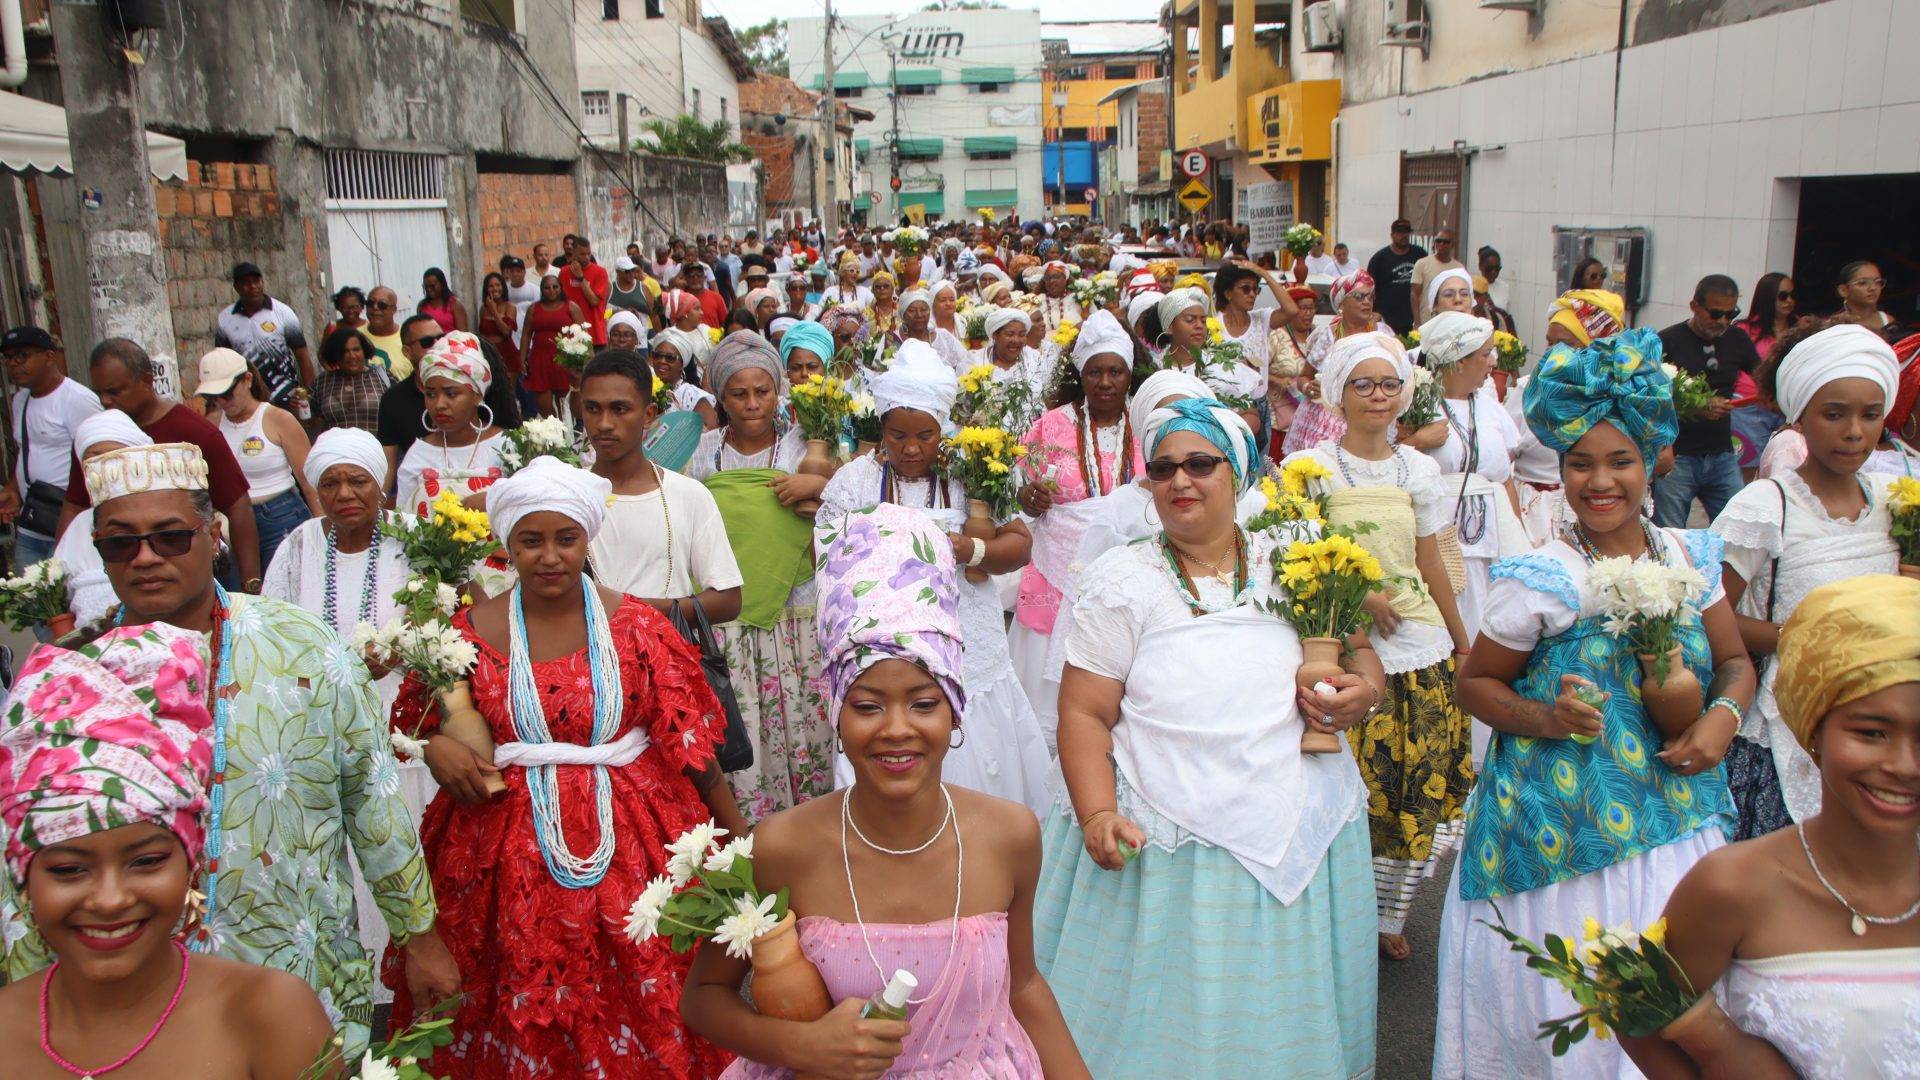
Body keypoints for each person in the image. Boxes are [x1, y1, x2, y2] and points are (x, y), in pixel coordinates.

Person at [3, 440, 459, 1061]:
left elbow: (374, 804)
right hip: (119, 1000)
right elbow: (25, 866)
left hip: (299, 974)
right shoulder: (65, 683)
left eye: (169, 537)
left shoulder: (304, 650)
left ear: (212, 533)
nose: (145, 559)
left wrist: (419, 937)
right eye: (120, 543)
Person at [1439, 329, 1754, 1080]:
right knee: (1561, 1008)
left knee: (1668, 1007)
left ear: (1656, 463)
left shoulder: (1690, 558)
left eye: (1621, 461)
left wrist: (1721, 719)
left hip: (1675, 827)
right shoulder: (1540, 578)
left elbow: (1737, 662)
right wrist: (1544, 718)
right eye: (1580, 463)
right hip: (1553, 836)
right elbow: (1476, 684)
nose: (1599, 480)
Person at [1036, 395, 1379, 1079]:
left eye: (1199, 464)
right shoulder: (1122, 580)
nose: (1179, 481)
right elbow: (1083, 714)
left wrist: (1363, 693)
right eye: (1162, 470)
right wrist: (1099, 811)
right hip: (1164, 835)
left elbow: (1362, 655)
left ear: (1240, 473)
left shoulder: (1299, 557)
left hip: (1296, 824)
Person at [683, 502, 1090, 1079]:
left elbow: (1022, 982)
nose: (896, 729)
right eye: (867, 706)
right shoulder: (781, 846)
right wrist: (802, 1048)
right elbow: (703, 997)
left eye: (924, 704)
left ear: (954, 713)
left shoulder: (1010, 834)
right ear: (835, 715)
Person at [385, 456, 740, 1077]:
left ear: (587, 538)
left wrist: (739, 844)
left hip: (638, 848)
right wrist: (436, 746)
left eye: (565, 539)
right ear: (508, 546)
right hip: (502, 856)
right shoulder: (464, 633)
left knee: (648, 989)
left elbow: (691, 746)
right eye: (531, 541)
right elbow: (410, 723)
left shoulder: (637, 626)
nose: (549, 556)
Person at [0, 622, 339, 1079]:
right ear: (23, 875)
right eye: (68, 870)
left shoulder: (270, 1017)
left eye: (146, 861)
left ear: (192, 860)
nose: (110, 899)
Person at [1620, 574, 1920, 1080]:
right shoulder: (1731, 886)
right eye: (1872, 732)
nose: (1905, 765)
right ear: (1815, 730)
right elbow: (1639, 1016)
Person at [1284, 331, 1474, 962]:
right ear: (1339, 394)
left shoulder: (1420, 470)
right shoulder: (1309, 469)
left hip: (1419, 644)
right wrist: (1361, 594)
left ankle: (1388, 914)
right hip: (1338, 642)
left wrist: (1462, 639)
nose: (1378, 396)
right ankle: (1336, 910)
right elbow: (1295, 554)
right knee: (1349, 784)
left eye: (1389, 384)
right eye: (1362, 384)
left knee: (1409, 787)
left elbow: (1431, 557)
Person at [819, 342, 1053, 815]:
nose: (910, 448)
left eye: (925, 435)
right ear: (880, 428)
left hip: (968, 638)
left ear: (943, 428)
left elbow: (1020, 544)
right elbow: (823, 553)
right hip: (880, 642)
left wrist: (976, 549)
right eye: (897, 434)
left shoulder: (972, 470)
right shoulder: (853, 481)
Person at [1711, 323, 1901, 841]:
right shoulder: (1767, 507)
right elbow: (1710, 612)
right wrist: (1805, 637)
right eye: (1834, 414)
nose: (1854, 431)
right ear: (1799, 417)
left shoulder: (1894, 500)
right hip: (1787, 721)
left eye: (1870, 415)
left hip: (1881, 716)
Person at [682, 334, 832, 822]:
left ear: (779, 391)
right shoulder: (701, 456)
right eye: (738, 394)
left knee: (802, 727)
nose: (751, 404)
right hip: (726, 621)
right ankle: (746, 835)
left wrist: (820, 486)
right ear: (720, 397)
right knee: (740, 724)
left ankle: (807, 832)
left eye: (762, 392)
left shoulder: (806, 449)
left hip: (795, 615)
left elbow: (854, 509)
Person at [1009, 311, 1142, 751]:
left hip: (1129, 572)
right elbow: (1015, 484)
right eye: (1095, 372)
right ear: (1080, 376)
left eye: (1115, 371)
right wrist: (1027, 496)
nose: (1105, 382)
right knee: (1047, 695)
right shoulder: (1052, 424)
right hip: (1055, 568)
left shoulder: (1145, 423)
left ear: (1129, 374)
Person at [59, 340, 262, 593]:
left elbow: (238, 506)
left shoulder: (195, 433)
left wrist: (250, 583)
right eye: (99, 392)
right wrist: (57, 576)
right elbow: (75, 504)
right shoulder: (96, 439)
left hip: (194, 575)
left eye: (114, 391)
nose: (105, 400)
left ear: (146, 381)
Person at [1417, 312, 1529, 766]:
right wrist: (1416, 439)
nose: (1493, 361)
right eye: (1484, 354)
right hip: (1442, 534)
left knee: (1496, 621)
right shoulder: (1418, 403)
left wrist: (1521, 536)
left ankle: (1488, 743)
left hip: (1495, 531)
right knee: (1452, 622)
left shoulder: (1489, 400)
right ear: (1456, 361)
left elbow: (1506, 477)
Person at [582, 349, 743, 622]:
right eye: (593, 409)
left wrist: (633, 611)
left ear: (648, 414)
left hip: (669, 657)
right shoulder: (568, 498)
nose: (604, 424)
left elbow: (728, 599)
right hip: (588, 659)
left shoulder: (688, 494)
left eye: (619, 409)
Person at [197, 347, 320, 572]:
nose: (223, 402)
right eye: (213, 398)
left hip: (279, 514)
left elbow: (308, 480)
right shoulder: (212, 423)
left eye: (227, 393)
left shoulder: (278, 419)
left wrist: (324, 529)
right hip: (230, 520)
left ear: (247, 380)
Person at [1656, 275, 1761, 527]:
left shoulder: (1737, 339)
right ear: (1694, 306)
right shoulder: (1667, 341)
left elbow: (1764, 377)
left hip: (1721, 454)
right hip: (1678, 457)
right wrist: (1695, 405)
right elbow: (1648, 397)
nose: (1723, 321)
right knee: (1671, 535)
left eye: (1730, 314)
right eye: (1715, 314)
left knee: (1738, 531)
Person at [1, 325, 99, 569]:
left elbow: (97, 458)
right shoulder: (20, 400)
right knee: (29, 598)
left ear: (48, 356)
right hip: (32, 522)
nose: (14, 364)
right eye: (9, 357)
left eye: (23, 355)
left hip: (69, 523)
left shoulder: (77, 399)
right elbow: (27, 450)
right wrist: (14, 488)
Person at [48, 411, 151, 629]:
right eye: (93, 461)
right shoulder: (79, 526)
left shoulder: (162, 514)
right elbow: (57, 597)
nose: (104, 470)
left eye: (113, 457)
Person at [393, 332, 506, 517]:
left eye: (451, 394)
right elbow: (404, 521)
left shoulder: (506, 447)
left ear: (478, 395)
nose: (439, 404)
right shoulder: (419, 455)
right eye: (430, 394)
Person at [1284, 271, 1380, 456]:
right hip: (1322, 427)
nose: (1367, 302)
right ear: (1342, 303)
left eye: (1370, 296)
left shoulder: (1382, 335)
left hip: (1366, 420)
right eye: (1359, 296)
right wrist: (1307, 388)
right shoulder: (1327, 336)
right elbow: (1304, 377)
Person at [214, 261, 313, 410]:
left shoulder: (283, 313)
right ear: (236, 287)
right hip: (248, 400)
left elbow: (302, 355)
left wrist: (307, 394)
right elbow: (222, 362)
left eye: (256, 281)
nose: (253, 286)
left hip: (286, 398)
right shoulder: (225, 319)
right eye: (246, 283)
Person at [1732, 272, 1798, 479]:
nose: (1789, 301)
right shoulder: (1744, 329)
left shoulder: (1801, 329)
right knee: (1748, 469)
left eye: (1792, 295)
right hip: (1749, 407)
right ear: (1767, 298)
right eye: (1782, 296)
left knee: (1784, 466)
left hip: (1787, 406)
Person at [518, 272, 587, 419]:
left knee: (564, 405)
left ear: (561, 288)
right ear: (542, 290)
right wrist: (522, 358)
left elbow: (584, 335)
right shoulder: (533, 309)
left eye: (555, 287)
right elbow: (525, 335)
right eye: (547, 288)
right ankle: (553, 431)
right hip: (540, 361)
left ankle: (567, 434)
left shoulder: (571, 307)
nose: (552, 290)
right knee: (544, 407)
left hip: (564, 360)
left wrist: (582, 361)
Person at [313, 326, 394, 436]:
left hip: (376, 450)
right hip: (335, 451)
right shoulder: (322, 382)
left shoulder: (383, 376)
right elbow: (310, 420)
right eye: (345, 351)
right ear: (335, 353)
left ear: (364, 350)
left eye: (356, 349)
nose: (352, 356)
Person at [651, 328, 722, 430]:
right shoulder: (646, 391)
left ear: (682, 364)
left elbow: (714, 432)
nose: (662, 361)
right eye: (657, 355)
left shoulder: (691, 395)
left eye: (670, 358)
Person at [1365, 219, 1427, 335]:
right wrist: (1373, 314)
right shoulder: (1379, 259)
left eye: (1406, 232)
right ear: (1392, 235)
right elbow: (1369, 290)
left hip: (1415, 319)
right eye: (1399, 232)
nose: (1403, 236)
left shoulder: (1420, 254)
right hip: (1387, 321)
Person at [559, 236, 611, 348]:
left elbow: (594, 301)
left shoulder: (600, 272)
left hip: (595, 336)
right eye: (582, 254)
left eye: (588, 253)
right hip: (571, 336)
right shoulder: (564, 272)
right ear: (573, 252)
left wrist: (581, 278)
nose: (586, 257)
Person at [1410, 228, 1466, 325]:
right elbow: (1414, 295)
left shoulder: (1459, 268)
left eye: (1446, 242)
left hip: (1450, 323)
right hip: (1426, 322)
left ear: (1453, 245)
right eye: (1438, 241)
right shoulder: (1422, 264)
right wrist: (1417, 322)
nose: (1441, 244)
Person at [476, 271, 522, 388]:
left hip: (506, 354)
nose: (495, 288)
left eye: (498, 285)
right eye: (491, 286)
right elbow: (482, 333)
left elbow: (506, 331)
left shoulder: (510, 307)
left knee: (507, 391)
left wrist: (494, 311)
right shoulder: (483, 309)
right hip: (488, 353)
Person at [1834, 259, 1899, 333]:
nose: (1873, 288)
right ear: (1843, 290)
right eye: (1863, 283)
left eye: (1878, 282)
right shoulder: (1836, 324)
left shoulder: (1888, 321)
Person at [361, 285, 410, 379]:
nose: (375, 307)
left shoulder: (408, 337)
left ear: (394, 310)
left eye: (382, 305)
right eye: (370, 303)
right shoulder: (354, 337)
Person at [779, 320, 832, 389]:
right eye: (795, 368)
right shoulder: (776, 399)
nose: (804, 373)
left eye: (812, 367)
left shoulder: (841, 398)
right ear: (787, 370)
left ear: (826, 368)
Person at [417, 267, 469, 334]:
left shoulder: (454, 304)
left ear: (442, 284)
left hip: (451, 343)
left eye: (432, 286)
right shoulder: (422, 306)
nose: (429, 290)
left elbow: (463, 334)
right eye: (426, 286)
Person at [502, 253, 540, 329]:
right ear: (508, 273)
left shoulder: (534, 289)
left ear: (524, 272)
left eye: (518, 271)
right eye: (512, 271)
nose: (515, 274)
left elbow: (538, 311)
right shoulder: (503, 289)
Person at [609, 255, 651, 319]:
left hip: (642, 328)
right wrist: (622, 312)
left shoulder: (643, 288)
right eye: (627, 271)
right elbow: (603, 315)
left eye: (632, 270)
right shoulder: (609, 289)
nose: (631, 274)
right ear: (618, 272)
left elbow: (654, 315)